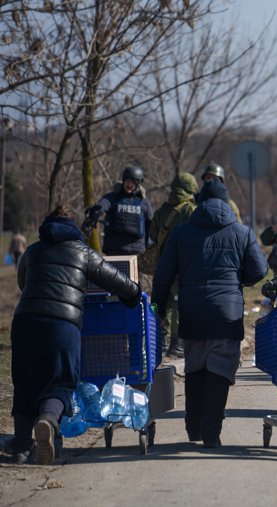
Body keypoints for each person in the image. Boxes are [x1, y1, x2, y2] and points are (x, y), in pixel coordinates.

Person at [10, 205, 141, 465]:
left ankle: (21, 446)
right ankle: (47, 421)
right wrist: (134, 294)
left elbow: (22, 282)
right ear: (72, 228)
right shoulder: (82, 252)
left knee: (25, 384)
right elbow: (115, 279)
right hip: (62, 325)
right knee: (61, 382)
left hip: (25, 321)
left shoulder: (32, 251)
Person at [151, 179, 268, 448]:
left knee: (195, 366)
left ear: (200, 202)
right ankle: (212, 433)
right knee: (220, 369)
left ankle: (193, 427)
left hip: (191, 310)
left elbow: (162, 277)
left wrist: (158, 309)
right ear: (227, 202)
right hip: (227, 313)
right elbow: (259, 271)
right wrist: (240, 280)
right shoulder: (242, 231)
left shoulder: (181, 233)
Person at [148, 172, 198, 358]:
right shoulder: (190, 210)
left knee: (162, 302)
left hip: (163, 264)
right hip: (183, 265)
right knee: (179, 304)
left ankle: (158, 341)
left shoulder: (162, 210)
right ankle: (176, 345)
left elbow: (153, 235)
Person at [94, 166, 154, 256]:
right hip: (115, 249)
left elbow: (151, 225)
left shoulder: (144, 202)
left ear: (137, 184)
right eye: (127, 181)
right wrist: (96, 212)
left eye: (132, 183)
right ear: (123, 181)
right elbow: (102, 205)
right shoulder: (112, 197)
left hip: (136, 250)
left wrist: (151, 244)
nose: (129, 185)